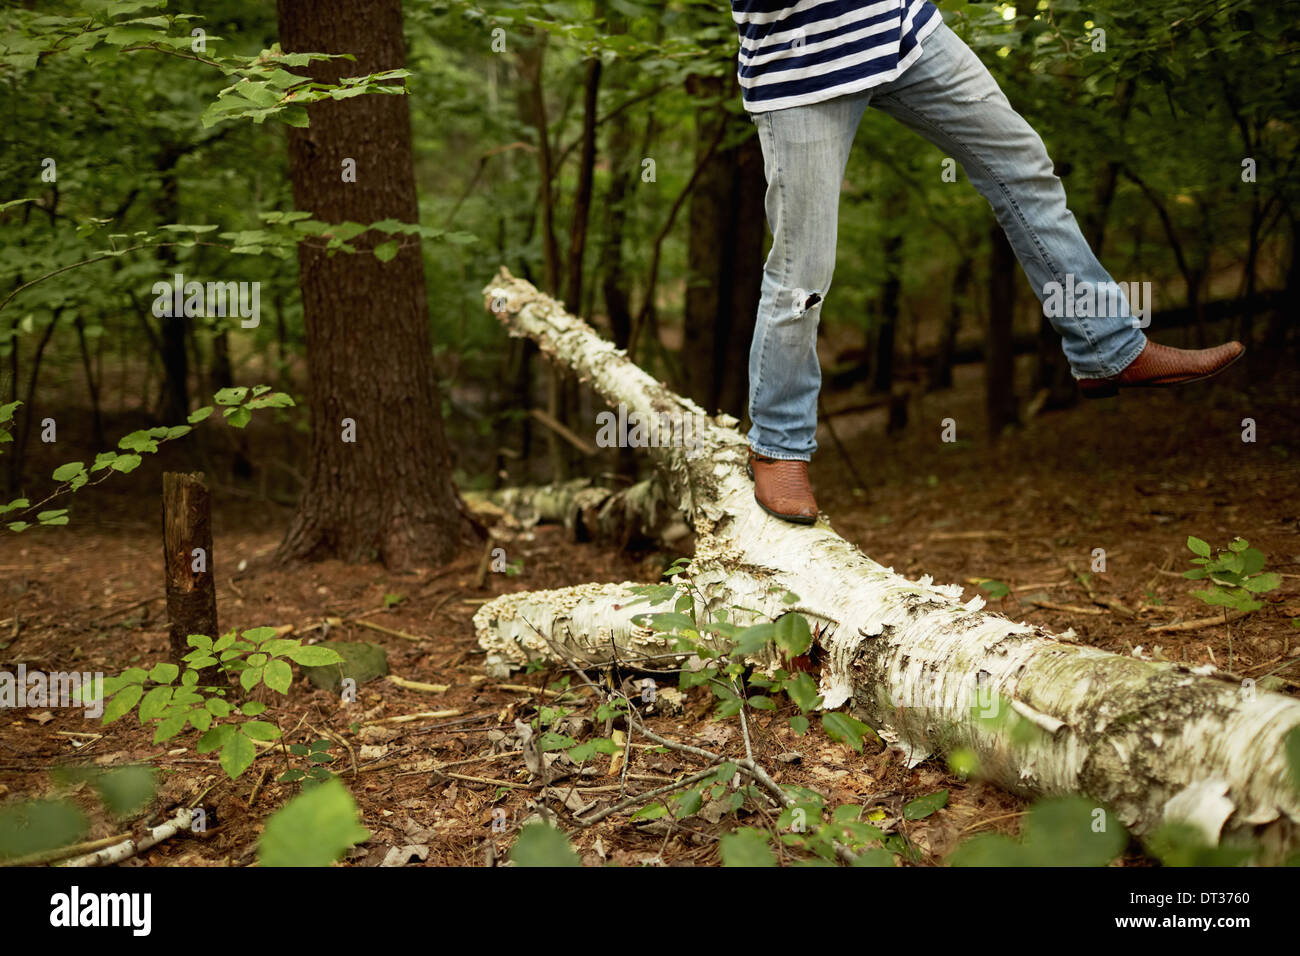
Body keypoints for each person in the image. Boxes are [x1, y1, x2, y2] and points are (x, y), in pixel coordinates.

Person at [731, 0, 1244, 524]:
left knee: (1024, 169)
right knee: (804, 270)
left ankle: (1107, 344)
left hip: (899, 28)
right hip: (800, 63)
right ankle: (778, 442)